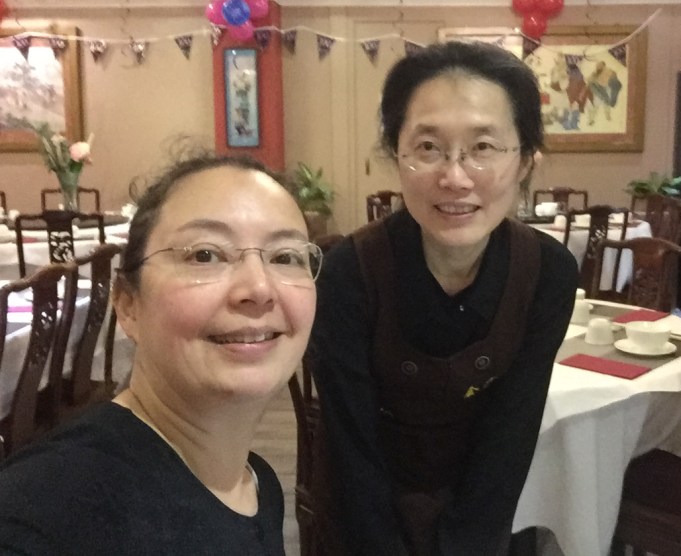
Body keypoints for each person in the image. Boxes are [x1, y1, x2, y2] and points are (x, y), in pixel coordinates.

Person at [309, 41, 578, 555]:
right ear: (396, 156)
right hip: (363, 517)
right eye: (428, 147)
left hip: (482, 512)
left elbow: (511, 433)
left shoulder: (547, 272)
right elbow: (350, 444)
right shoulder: (349, 273)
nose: (454, 178)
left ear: (526, 161)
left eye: (483, 147)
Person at [0, 153, 321, 554]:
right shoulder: (45, 517)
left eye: (286, 257)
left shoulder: (258, 484)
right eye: (205, 254)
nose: (258, 288)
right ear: (128, 304)